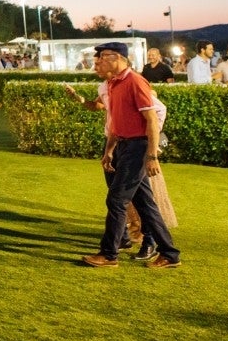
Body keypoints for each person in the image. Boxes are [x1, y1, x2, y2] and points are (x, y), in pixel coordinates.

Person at [77, 41, 181, 268]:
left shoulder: (134, 81)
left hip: (137, 147)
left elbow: (152, 119)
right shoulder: (112, 85)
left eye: (104, 56)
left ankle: (109, 255)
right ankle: (170, 253)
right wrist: (109, 151)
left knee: (116, 199)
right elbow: (115, 123)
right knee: (145, 204)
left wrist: (152, 155)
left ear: (118, 58)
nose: (100, 61)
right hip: (124, 147)